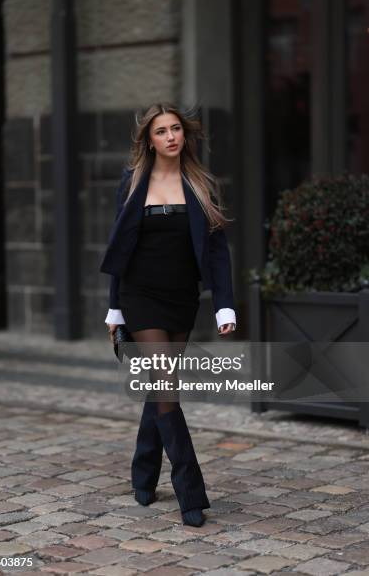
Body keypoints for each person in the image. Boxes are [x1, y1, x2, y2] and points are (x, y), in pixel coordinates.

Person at [100, 103, 236, 527]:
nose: (171, 136)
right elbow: (120, 248)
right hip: (141, 295)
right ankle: (191, 494)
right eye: (162, 131)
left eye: (176, 128)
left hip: (182, 298)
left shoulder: (199, 182)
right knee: (167, 391)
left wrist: (224, 304)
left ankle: (143, 474)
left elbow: (216, 249)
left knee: (161, 389)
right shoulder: (133, 182)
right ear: (149, 140)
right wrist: (115, 308)